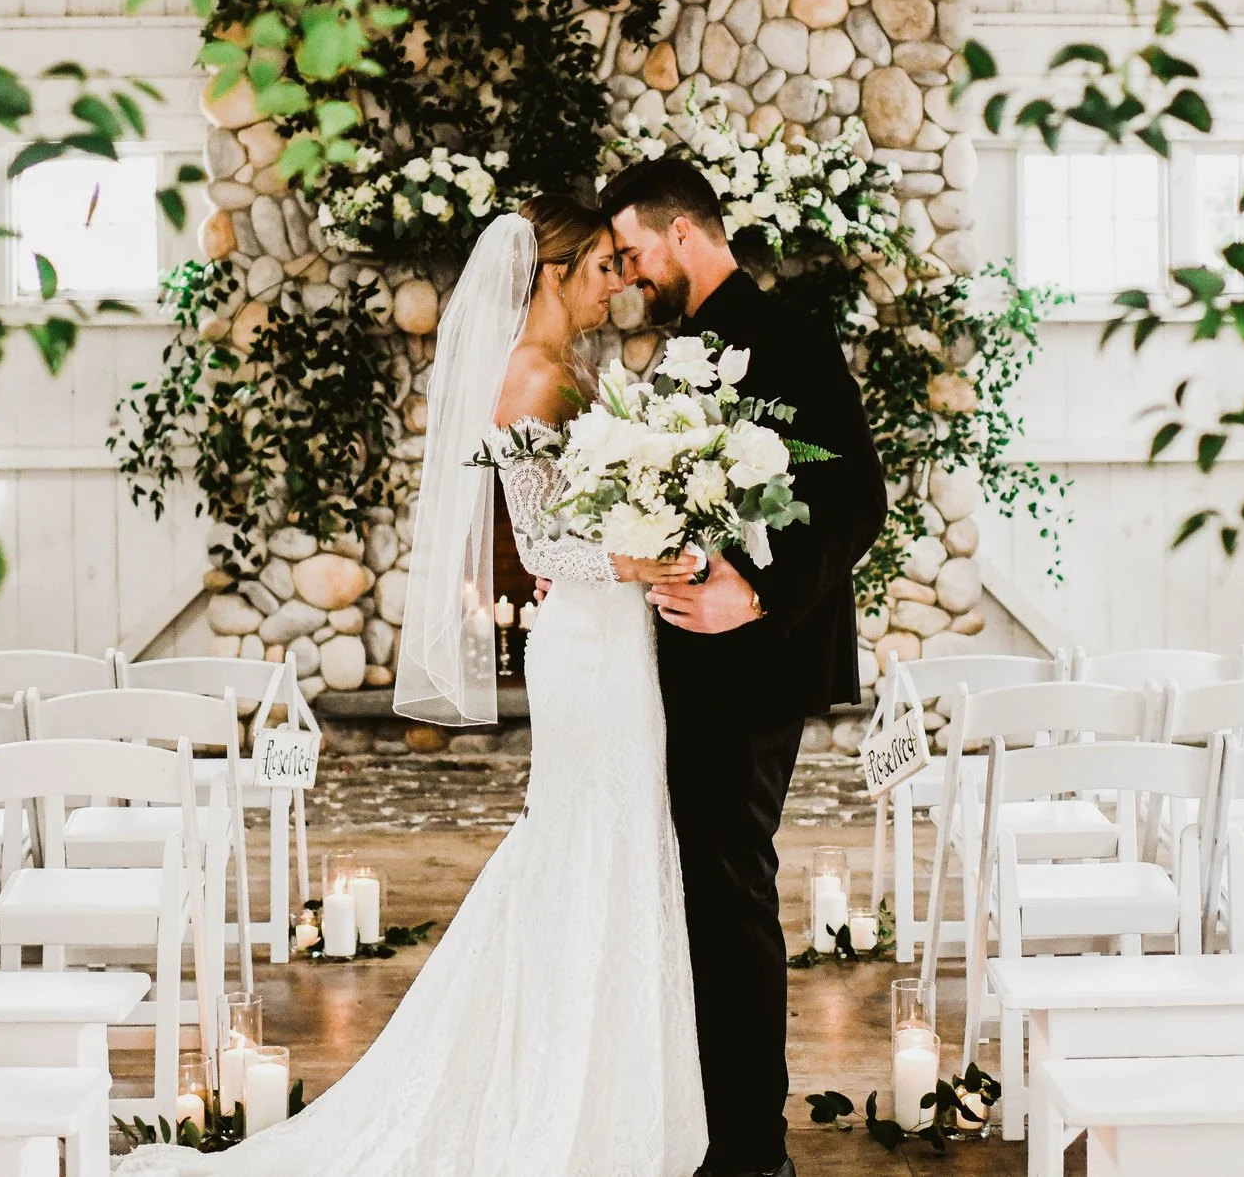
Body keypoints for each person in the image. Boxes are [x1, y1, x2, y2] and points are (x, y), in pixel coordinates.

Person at [121, 194, 709, 1177]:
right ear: (549, 272)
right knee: (580, 841)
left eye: (620, 263)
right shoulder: (527, 378)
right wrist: (643, 562)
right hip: (587, 644)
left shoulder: (583, 369)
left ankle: (625, 1095)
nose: (619, 280)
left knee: (625, 837)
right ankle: (551, 1094)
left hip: (622, 641)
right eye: (601, 263)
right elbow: (546, 540)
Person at [600, 156, 888, 1177]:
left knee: (730, 892)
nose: (630, 273)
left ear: (685, 234)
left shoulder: (788, 337)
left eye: (635, 251)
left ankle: (752, 1150)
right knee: (706, 891)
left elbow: (858, 499)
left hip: (757, 658)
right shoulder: (688, 347)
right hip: (694, 657)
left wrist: (753, 594)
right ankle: (713, 1122)